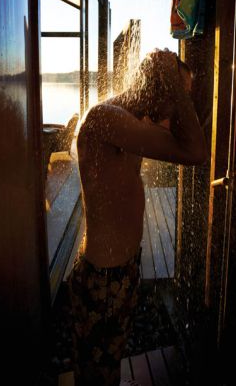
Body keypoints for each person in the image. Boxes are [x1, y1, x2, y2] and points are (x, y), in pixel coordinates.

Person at [67, 49, 207, 385]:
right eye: (177, 94)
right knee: (97, 376)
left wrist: (174, 85)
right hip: (104, 280)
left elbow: (185, 142)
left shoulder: (129, 122)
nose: (177, 106)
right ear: (161, 88)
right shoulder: (106, 120)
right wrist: (175, 84)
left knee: (108, 367)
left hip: (120, 272)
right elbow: (196, 152)